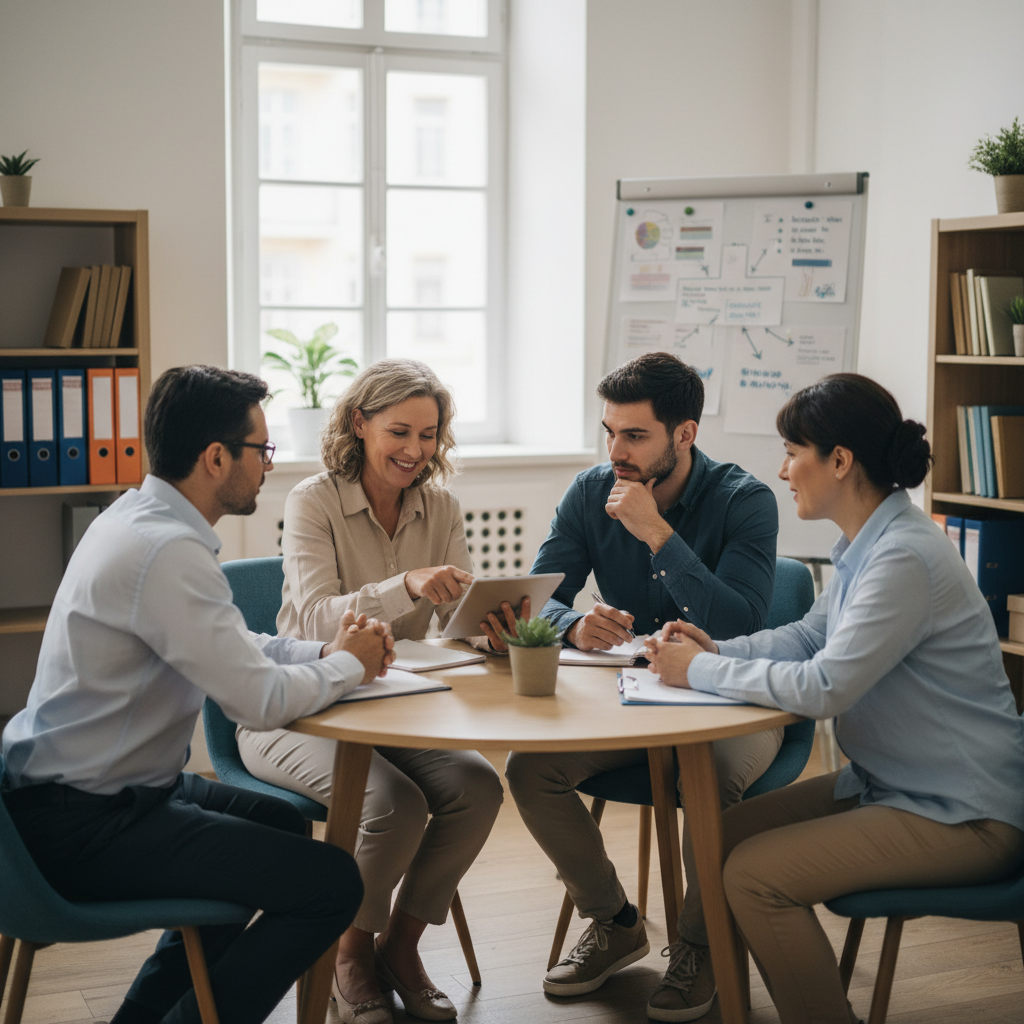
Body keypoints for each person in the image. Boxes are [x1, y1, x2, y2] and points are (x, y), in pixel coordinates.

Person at [0, 364, 396, 1024]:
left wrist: (326, 653)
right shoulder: (165, 552)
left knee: (280, 821)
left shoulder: (138, 517)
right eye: (261, 450)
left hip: (86, 794)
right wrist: (352, 668)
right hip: (86, 823)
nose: (269, 465)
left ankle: (151, 1014)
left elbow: (234, 645)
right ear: (216, 457)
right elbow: (259, 702)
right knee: (332, 883)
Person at [645, 373, 1024, 1024]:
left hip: (966, 812)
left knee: (753, 876)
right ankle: (710, 977)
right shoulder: (867, 544)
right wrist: (714, 653)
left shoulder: (902, 558)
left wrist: (697, 674)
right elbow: (806, 636)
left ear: (840, 461)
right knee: (721, 833)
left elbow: (826, 686)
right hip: (895, 786)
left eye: (793, 451)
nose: (785, 470)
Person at [493, 351, 781, 1021]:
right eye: (609, 432)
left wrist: (656, 531)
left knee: (708, 775)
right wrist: (572, 625)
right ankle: (615, 921)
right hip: (633, 700)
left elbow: (739, 622)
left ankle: (699, 945)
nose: (616, 452)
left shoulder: (746, 500)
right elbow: (539, 596)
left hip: (732, 697)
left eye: (635, 435)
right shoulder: (590, 490)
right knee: (530, 771)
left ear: (685, 434)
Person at [237, 358, 503, 1024]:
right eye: (399, 431)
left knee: (478, 788)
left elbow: (447, 625)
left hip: (394, 710)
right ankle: (350, 955)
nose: (416, 451)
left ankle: (401, 950)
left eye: (429, 434)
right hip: (296, 711)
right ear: (360, 424)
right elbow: (308, 622)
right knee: (394, 806)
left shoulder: (438, 504)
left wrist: (485, 627)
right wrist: (404, 586)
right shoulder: (314, 500)